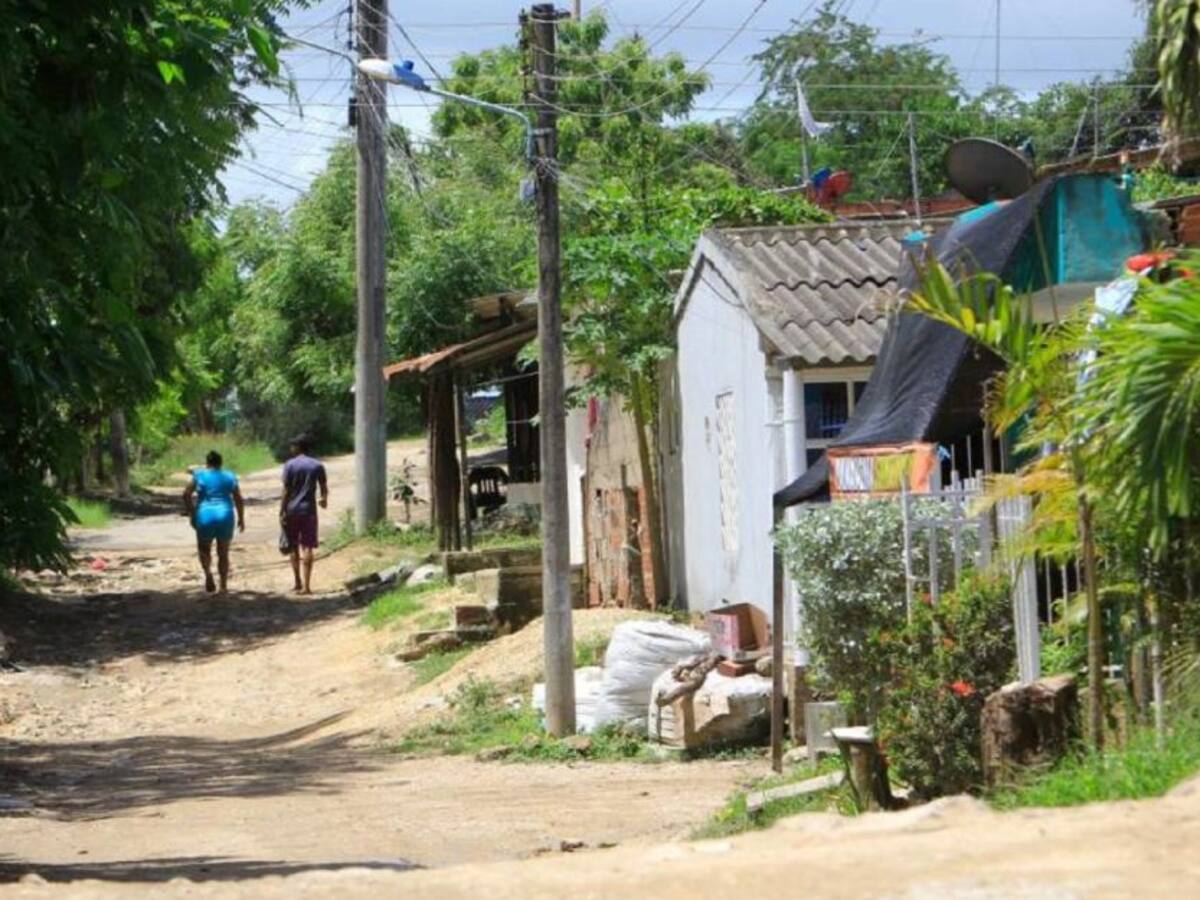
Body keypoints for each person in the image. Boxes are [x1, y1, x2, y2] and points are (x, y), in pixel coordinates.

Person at [183, 450, 245, 594]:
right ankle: (223, 585)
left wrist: (192, 514)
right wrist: (241, 518)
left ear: (207, 463)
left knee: (204, 549)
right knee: (223, 552)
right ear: (220, 463)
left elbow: (186, 495)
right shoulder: (230, 476)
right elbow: (238, 499)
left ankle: (208, 575)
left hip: (205, 515)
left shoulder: (199, 475)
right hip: (225, 515)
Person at [281, 435, 328, 594]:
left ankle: (297, 582)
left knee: (293, 545)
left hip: (292, 509)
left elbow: (286, 490)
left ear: (299, 447)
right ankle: (307, 586)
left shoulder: (289, 465)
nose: (291, 449)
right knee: (307, 547)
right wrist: (323, 500)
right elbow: (323, 487)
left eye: (292, 446)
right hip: (309, 510)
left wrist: (282, 510)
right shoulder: (317, 465)